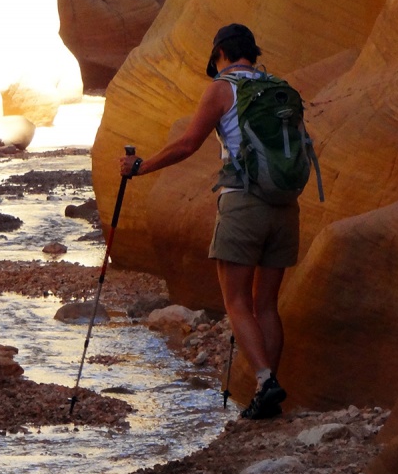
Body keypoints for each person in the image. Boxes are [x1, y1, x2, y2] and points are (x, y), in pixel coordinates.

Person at [119, 23, 298, 419]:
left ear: (220, 55)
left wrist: (140, 167)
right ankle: (269, 388)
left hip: (243, 205)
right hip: (285, 207)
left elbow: (187, 143)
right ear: (252, 52)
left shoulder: (223, 88)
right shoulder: (276, 87)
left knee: (235, 301)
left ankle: (266, 381)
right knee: (266, 304)